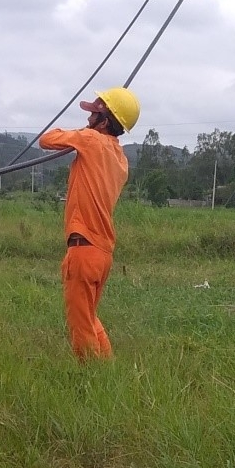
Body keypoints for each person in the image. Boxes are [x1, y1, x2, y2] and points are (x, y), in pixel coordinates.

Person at [38, 87, 139, 360]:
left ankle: (89, 375)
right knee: (89, 316)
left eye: (94, 114)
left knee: (81, 325)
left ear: (104, 122)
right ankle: (106, 368)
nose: (88, 118)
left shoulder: (91, 140)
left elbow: (46, 139)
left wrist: (84, 134)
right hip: (102, 252)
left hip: (84, 249)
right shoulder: (121, 159)